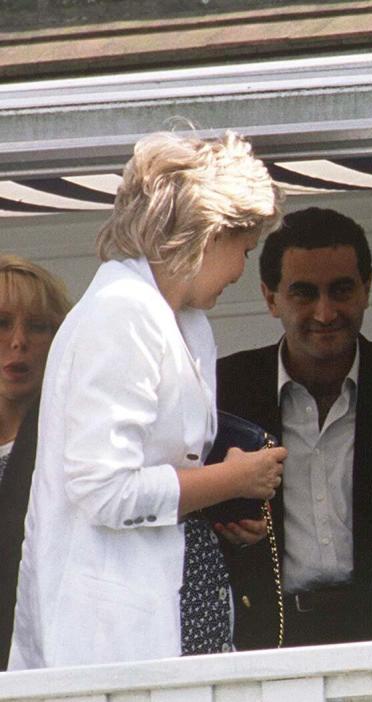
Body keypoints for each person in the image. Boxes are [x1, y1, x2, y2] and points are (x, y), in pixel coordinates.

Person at [7, 130, 287, 670]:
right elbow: (104, 489)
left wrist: (219, 497)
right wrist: (233, 480)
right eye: (244, 249)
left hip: (175, 614)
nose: (241, 271)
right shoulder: (122, 313)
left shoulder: (177, 319)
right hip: (116, 638)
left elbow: (161, 470)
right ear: (209, 231)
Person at [217, 207, 372, 648]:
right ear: (270, 298)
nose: (326, 312)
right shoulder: (223, 392)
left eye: (342, 290)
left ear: (367, 290)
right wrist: (218, 518)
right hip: (270, 640)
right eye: (303, 293)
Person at [0, 255, 71, 670]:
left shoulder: (77, 436)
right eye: (1, 323)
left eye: (39, 326)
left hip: (52, 661)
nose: (18, 341)